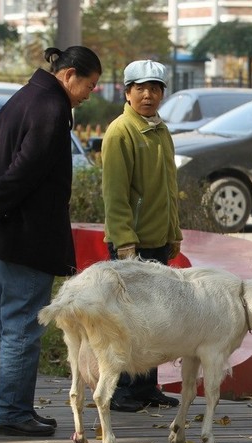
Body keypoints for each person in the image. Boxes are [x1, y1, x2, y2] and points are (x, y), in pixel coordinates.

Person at [0, 46, 102, 437]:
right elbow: (28, 168)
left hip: (4, 235)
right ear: (70, 75)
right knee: (24, 327)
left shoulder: (23, 97)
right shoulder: (51, 107)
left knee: (12, 325)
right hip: (29, 238)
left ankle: (14, 408)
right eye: (90, 85)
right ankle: (11, 413)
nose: (91, 94)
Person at [100, 59, 183, 413]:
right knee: (127, 322)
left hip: (157, 241)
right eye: (140, 88)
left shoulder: (159, 129)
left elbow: (168, 188)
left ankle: (146, 388)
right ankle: (121, 392)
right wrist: (124, 242)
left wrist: (173, 233)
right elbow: (115, 194)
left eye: (155, 88)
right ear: (127, 91)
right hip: (131, 243)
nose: (148, 95)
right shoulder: (121, 132)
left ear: (163, 92)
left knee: (155, 320)